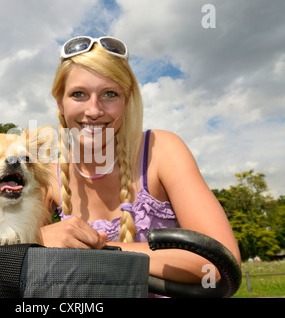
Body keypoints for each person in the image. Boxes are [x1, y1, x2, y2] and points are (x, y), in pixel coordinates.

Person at [41, 36, 241, 284]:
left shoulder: (161, 150)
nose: (93, 110)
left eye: (110, 94)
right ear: (60, 102)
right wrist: (39, 238)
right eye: (79, 94)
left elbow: (221, 261)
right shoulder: (48, 175)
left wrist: (99, 252)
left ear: (127, 99)